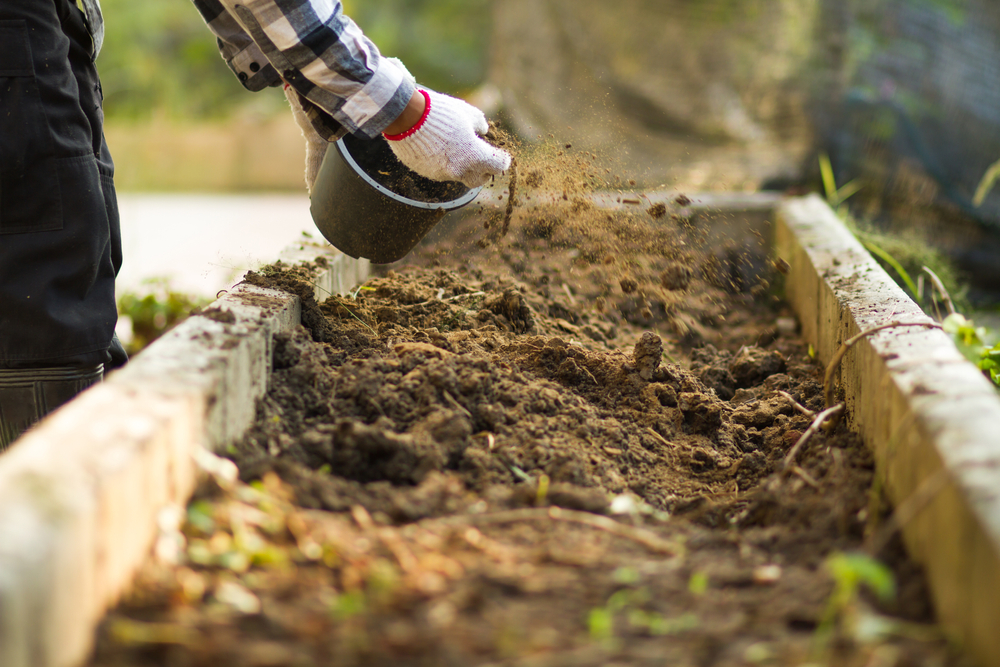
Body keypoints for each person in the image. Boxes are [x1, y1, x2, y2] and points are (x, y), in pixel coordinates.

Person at [0, 0, 510, 450]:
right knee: (44, 298)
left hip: (47, 24)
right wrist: (406, 112)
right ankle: (50, 511)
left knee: (76, 263)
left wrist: (315, 97)